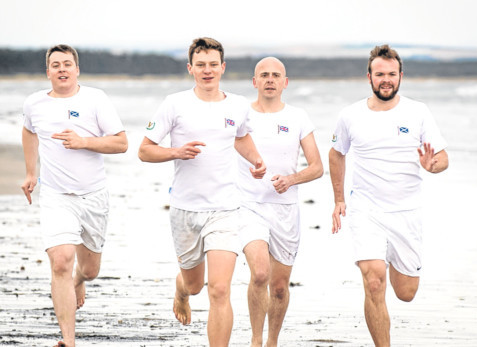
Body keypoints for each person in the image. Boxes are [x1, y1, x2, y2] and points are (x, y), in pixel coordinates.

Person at [138, 37, 266, 346]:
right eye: (200, 65)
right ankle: (181, 289)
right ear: (190, 69)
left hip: (225, 208)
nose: (207, 71)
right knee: (195, 286)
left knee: (219, 289)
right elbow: (144, 151)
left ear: (222, 68)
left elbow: (240, 137)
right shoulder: (174, 104)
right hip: (185, 209)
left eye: (212, 65)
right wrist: (176, 152)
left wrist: (257, 160)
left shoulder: (237, 105)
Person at [328, 44, 449, 346]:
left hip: (406, 211)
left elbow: (443, 158)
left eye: (391, 74)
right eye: (379, 74)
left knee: (406, 293)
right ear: (368, 76)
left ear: (400, 76)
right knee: (373, 282)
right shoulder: (350, 115)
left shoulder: (418, 112)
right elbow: (335, 153)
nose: (386, 80)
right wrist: (339, 198)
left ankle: (395, 258)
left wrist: (431, 165)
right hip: (366, 210)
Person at [21, 44, 128, 347]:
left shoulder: (96, 99)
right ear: (48, 72)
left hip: (93, 196)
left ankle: (80, 280)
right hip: (56, 196)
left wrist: (84, 142)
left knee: (91, 270)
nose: (62, 69)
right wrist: (31, 173)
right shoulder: (34, 104)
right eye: (56, 65)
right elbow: (29, 132)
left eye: (67, 64)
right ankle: (69, 340)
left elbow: (121, 144)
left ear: (77, 69)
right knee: (60, 262)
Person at [238, 57, 323, 347]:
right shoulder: (241, 116)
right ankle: (255, 340)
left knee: (278, 288)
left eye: (276, 75)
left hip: (285, 209)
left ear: (285, 83)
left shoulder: (298, 117)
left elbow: (317, 167)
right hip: (248, 205)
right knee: (260, 273)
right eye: (264, 75)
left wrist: (291, 180)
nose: (270, 79)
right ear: (255, 82)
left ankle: (272, 341)